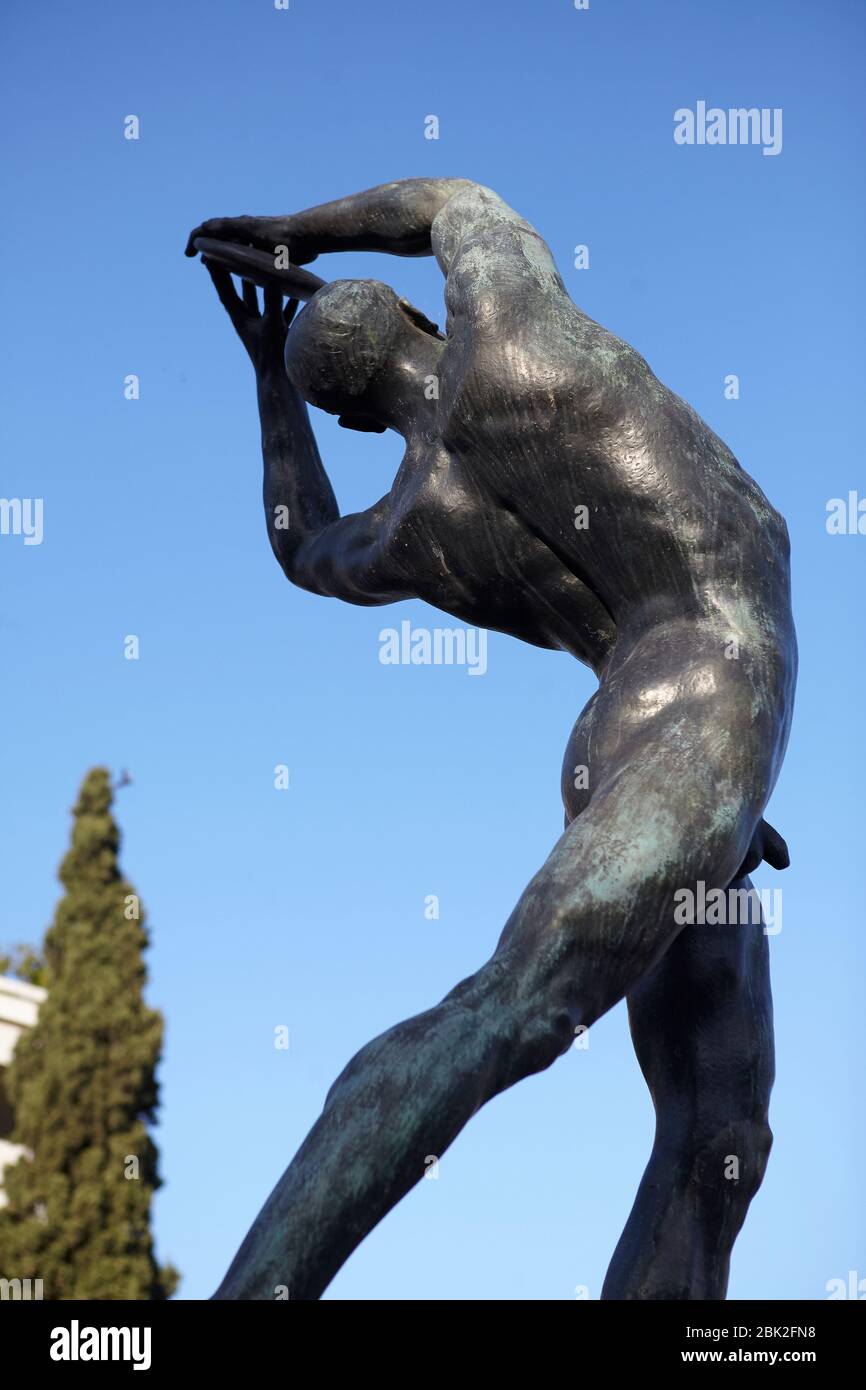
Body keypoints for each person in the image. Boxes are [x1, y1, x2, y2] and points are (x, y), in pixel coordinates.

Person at [186, 178, 796, 1299]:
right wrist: (295, 232)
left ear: (353, 419)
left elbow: (299, 545)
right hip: (706, 710)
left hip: (658, 743)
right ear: (418, 319)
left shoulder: (402, 528)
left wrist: (270, 386)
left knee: (721, 1133)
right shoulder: (515, 330)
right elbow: (445, 198)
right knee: (510, 1011)